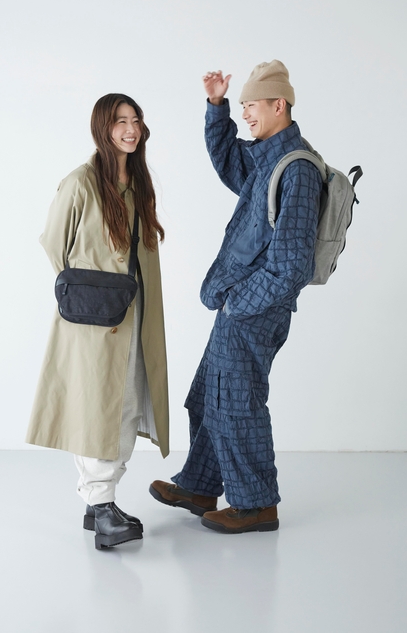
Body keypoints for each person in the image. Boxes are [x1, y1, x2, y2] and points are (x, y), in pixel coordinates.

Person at [150, 60, 322, 534]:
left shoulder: (298, 170)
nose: (245, 114)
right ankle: (200, 485)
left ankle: (256, 504)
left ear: (279, 105)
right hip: (240, 302)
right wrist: (216, 106)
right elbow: (228, 159)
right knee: (209, 394)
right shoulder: (268, 157)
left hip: (255, 308)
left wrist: (240, 302)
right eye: (242, 106)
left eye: (251, 105)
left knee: (237, 402)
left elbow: (292, 265)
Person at [26, 93, 169, 549]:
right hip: (93, 320)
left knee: (126, 403)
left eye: (135, 120)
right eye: (120, 121)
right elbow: (54, 244)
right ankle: (102, 504)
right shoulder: (80, 182)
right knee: (98, 407)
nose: (131, 129)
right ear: (102, 128)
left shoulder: (138, 182)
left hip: (134, 313)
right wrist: (89, 293)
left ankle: (98, 504)